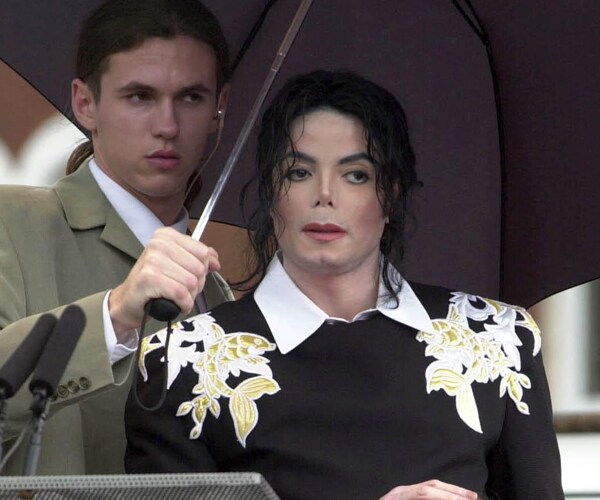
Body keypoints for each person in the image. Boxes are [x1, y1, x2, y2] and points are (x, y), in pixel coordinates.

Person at [124, 70, 563, 499]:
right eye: (299, 172)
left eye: (356, 174)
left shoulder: (497, 340)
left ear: (391, 194)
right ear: (270, 192)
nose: (325, 194)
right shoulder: (183, 360)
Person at [0, 0, 233, 475]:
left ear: (219, 108)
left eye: (191, 97)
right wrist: (115, 314)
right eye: (140, 96)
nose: (167, 126)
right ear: (85, 103)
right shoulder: (12, 222)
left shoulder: (215, 292)